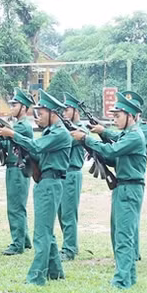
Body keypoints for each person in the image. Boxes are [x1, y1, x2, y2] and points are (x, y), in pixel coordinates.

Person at [72, 92, 147, 288]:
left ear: (130, 115)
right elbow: (113, 158)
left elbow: (112, 150)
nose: (115, 120)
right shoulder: (128, 135)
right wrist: (93, 147)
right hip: (123, 187)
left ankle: (122, 280)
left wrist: (87, 139)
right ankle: (128, 276)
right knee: (119, 234)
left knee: (123, 236)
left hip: (130, 188)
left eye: (118, 116)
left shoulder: (135, 136)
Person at [0, 90, 71, 286]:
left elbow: (37, 147)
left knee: (42, 233)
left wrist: (13, 135)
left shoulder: (60, 133)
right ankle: (55, 272)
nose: (38, 116)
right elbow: (37, 154)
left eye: (42, 112)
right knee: (46, 230)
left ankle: (36, 277)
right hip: (45, 182)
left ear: (53, 113)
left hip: (50, 183)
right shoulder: (52, 132)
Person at [0, 88, 34, 256]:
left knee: (15, 207)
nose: (12, 107)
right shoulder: (17, 126)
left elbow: (12, 136)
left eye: (15, 105)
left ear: (24, 108)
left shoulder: (23, 126)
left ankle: (17, 243)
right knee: (17, 205)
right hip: (13, 167)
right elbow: (7, 144)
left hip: (18, 169)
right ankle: (24, 240)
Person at [58, 92, 88, 261]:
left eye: (67, 110)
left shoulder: (81, 130)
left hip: (72, 173)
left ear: (76, 111)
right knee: (61, 212)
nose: (63, 113)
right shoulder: (66, 129)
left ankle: (69, 249)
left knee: (68, 213)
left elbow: (65, 141)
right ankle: (69, 244)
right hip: (62, 173)